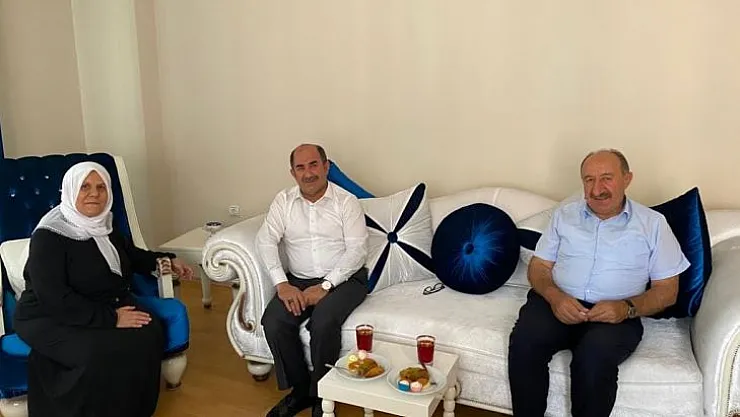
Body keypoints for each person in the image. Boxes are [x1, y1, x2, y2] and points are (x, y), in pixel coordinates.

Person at [507, 149, 690, 417]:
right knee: (525, 343)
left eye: (606, 178)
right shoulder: (564, 216)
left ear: (627, 179)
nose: (597, 189)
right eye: (589, 180)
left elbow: (667, 291)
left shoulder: (653, 225)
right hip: (557, 302)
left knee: (593, 358)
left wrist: (625, 308)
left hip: (618, 314)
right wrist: (555, 297)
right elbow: (539, 267)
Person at [13, 161, 195, 417]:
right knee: (98, 352)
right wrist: (111, 318)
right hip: (48, 314)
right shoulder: (49, 236)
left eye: (101, 187)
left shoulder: (105, 225)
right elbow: (53, 296)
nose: (94, 194)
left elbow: (132, 255)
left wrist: (167, 260)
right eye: (85, 187)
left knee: (148, 331)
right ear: (70, 190)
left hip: (100, 302)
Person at [257, 144, 369, 417]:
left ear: (326, 166)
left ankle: (323, 396)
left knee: (324, 321)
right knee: (274, 321)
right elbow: (265, 241)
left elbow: (357, 250)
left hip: (344, 280)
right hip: (298, 280)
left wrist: (326, 286)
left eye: (314, 165)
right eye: (301, 167)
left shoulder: (346, 202)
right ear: (293, 173)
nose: (308, 173)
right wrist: (282, 284)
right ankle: (301, 392)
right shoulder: (283, 201)